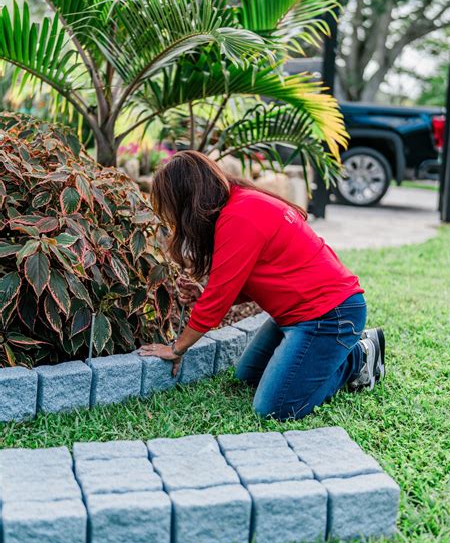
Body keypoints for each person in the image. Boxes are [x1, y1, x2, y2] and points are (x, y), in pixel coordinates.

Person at [138, 151, 385, 421]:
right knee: (248, 376)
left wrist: (176, 348)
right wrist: (203, 295)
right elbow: (246, 281)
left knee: (274, 408)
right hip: (296, 315)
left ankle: (358, 357)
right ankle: (328, 357)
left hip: (329, 316)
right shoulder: (238, 203)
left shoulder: (239, 217)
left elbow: (216, 301)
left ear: (188, 198)